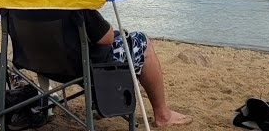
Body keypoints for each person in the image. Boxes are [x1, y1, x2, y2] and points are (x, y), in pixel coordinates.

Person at [36, 8, 190, 127]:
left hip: (44, 64)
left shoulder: (22, 2)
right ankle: (163, 115)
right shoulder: (74, 0)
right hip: (82, 67)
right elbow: (106, 37)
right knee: (142, 41)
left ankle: (101, 103)